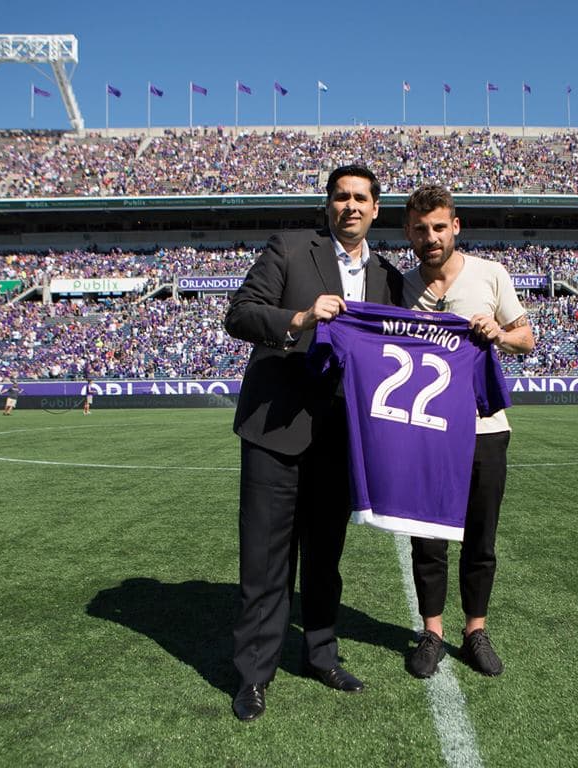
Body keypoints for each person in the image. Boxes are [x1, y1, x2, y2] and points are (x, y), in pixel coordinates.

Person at [223, 165, 402, 721]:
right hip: (275, 429)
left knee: (326, 559)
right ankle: (254, 675)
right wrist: (300, 317)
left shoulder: (391, 278)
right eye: (341, 196)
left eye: (361, 198)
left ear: (376, 210)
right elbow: (240, 313)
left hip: (341, 438)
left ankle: (321, 655)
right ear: (328, 205)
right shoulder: (292, 248)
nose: (350, 205)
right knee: (265, 558)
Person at [400, 185, 535, 678]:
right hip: (425, 429)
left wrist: (499, 334)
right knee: (428, 539)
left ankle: (474, 629)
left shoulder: (490, 274)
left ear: (456, 226)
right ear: (408, 232)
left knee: (480, 536)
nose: (431, 236)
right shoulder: (401, 286)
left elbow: (527, 337)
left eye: (439, 227)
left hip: (485, 429)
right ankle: (431, 632)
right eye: (421, 228)